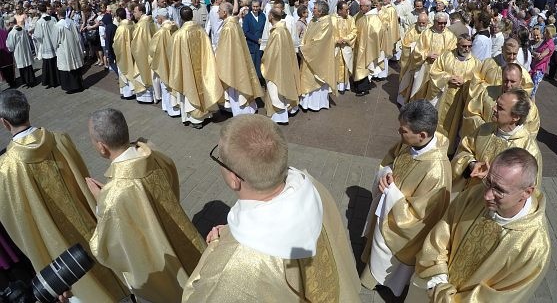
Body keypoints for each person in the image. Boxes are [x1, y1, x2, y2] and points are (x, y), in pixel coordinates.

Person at [182, 115, 361, 302]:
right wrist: (228, 233)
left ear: (235, 179)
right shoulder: (311, 186)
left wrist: (217, 247)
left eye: (219, 158)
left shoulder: (236, 265)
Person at [0, 91, 130, 303]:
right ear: (28, 110)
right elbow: (82, 177)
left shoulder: (6, 169)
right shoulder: (59, 139)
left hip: (56, 247)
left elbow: (16, 221)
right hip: (89, 226)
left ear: (4, 123)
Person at [87, 108, 206, 302]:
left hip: (156, 266)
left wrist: (101, 203)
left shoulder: (113, 194)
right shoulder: (153, 153)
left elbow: (107, 246)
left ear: (102, 147)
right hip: (180, 234)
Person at [406, 148, 550, 303]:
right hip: (431, 284)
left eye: (499, 191)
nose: (487, 195)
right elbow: (443, 229)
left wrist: (447, 298)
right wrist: (438, 277)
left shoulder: (535, 247)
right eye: (488, 182)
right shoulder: (474, 194)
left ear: (527, 192)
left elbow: (499, 297)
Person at [361, 100, 451, 297]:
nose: (399, 133)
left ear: (422, 135)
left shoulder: (436, 171)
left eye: (403, 131)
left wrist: (392, 193)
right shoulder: (410, 143)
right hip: (387, 208)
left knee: (388, 262)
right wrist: (387, 172)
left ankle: (386, 284)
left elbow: (421, 217)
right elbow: (392, 159)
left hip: (402, 227)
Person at [451, 88, 542, 196]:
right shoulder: (484, 129)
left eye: (500, 108)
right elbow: (464, 149)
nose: (493, 108)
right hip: (466, 195)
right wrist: (472, 164)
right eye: (496, 104)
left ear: (515, 117)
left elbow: (528, 190)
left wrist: (490, 179)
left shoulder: (528, 149)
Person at [169, 6, 222, 128]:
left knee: (190, 87)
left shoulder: (179, 35)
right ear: (192, 16)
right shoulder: (201, 31)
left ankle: (195, 120)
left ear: (181, 18)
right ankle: (207, 114)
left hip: (187, 71)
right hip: (202, 69)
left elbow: (174, 57)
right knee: (203, 87)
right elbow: (208, 52)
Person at [429, 34, 481, 155]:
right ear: (457, 45)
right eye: (463, 46)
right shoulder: (446, 56)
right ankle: (433, 144)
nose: (466, 49)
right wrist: (447, 78)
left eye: (469, 46)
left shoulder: (476, 63)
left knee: (456, 126)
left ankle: (449, 149)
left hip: (461, 101)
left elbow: (478, 84)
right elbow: (434, 71)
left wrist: (466, 83)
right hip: (443, 96)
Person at [462, 63, 540, 140]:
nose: (508, 85)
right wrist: (486, 128)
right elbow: (471, 113)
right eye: (505, 80)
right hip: (483, 139)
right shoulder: (487, 93)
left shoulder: (529, 107)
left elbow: (530, 132)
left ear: (520, 81)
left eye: (512, 81)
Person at [215, 2, 263, 116]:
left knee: (235, 86)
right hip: (238, 58)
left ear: (225, 12)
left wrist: (217, 56)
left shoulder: (228, 27)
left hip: (232, 61)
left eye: (219, 10)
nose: (218, 12)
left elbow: (225, 49)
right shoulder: (234, 23)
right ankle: (248, 108)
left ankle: (241, 112)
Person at [261, 9, 300, 123]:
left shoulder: (277, 32)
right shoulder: (283, 29)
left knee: (276, 89)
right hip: (284, 63)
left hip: (276, 66)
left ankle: (279, 117)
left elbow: (271, 53)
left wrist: (264, 61)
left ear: (271, 16)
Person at [409, 11, 457, 101]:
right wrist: (427, 54)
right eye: (440, 23)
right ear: (434, 22)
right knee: (421, 91)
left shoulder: (451, 36)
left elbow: (452, 54)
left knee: (434, 97)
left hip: (440, 70)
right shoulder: (426, 33)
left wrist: (441, 58)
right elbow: (417, 50)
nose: (442, 25)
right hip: (425, 67)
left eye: (445, 23)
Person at [299, 1, 336, 110]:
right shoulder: (313, 20)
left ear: (320, 12)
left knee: (317, 78)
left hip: (318, 57)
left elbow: (319, 42)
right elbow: (306, 34)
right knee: (307, 76)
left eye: (314, 8)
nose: (312, 10)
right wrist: (302, 44)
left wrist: (304, 49)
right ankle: (306, 103)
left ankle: (316, 104)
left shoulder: (326, 23)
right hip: (308, 55)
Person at [149, 7, 181, 117]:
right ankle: (167, 106)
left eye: (157, 17)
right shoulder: (175, 25)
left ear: (161, 17)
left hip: (164, 61)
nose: (157, 19)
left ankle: (172, 109)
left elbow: (153, 49)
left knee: (166, 84)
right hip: (175, 60)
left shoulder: (162, 31)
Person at [352, 0, 384, 97]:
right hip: (358, 45)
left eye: (362, 6)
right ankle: (357, 84)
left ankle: (363, 88)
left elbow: (378, 31)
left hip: (367, 47)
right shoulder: (360, 15)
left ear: (368, 6)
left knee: (365, 66)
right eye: (360, 5)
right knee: (358, 65)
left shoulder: (374, 17)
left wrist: (368, 40)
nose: (360, 7)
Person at [397, 13, 428, 105]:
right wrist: (415, 48)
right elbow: (405, 43)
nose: (421, 25)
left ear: (428, 22)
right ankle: (405, 99)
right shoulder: (412, 30)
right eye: (419, 23)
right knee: (409, 82)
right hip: (411, 62)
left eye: (423, 23)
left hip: (424, 63)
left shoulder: (430, 32)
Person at [130, 4, 157, 103]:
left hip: (142, 53)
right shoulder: (150, 20)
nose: (133, 13)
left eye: (135, 11)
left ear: (141, 12)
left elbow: (137, 44)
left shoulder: (141, 25)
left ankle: (145, 98)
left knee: (142, 73)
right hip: (150, 52)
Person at [55, 9, 85, 93]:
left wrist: (55, 47)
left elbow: (55, 40)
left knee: (67, 67)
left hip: (64, 50)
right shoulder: (71, 22)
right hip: (74, 47)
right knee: (75, 67)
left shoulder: (58, 25)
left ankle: (71, 87)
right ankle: (79, 85)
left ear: (58, 15)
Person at [33, 3, 59, 88]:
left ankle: (51, 81)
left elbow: (38, 36)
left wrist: (41, 42)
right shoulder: (53, 18)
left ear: (39, 11)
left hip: (46, 44)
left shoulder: (40, 22)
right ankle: (58, 79)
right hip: (55, 43)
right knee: (55, 61)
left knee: (48, 64)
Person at [334, 1, 357, 92]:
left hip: (346, 47)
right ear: (339, 10)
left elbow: (354, 31)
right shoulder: (332, 19)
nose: (348, 11)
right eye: (346, 9)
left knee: (345, 65)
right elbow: (328, 34)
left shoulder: (350, 19)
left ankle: (344, 85)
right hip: (335, 48)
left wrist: (345, 39)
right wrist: (336, 40)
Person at [113, 7, 136, 100]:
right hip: (132, 52)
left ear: (118, 17)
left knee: (124, 72)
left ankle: (128, 94)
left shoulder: (120, 28)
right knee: (132, 70)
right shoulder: (132, 24)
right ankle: (134, 90)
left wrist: (113, 47)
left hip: (123, 53)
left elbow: (117, 43)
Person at [6, 18, 36, 87]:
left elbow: (10, 45)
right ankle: (31, 80)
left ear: (11, 23)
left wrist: (9, 47)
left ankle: (27, 81)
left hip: (18, 51)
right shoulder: (22, 29)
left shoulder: (12, 33)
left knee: (23, 66)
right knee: (28, 65)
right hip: (26, 49)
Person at [242, 0, 266, 80]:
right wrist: (256, 39)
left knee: (261, 63)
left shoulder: (263, 16)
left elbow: (265, 29)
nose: (255, 8)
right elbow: (246, 31)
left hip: (262, 44)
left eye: (257, 7)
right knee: (252, 64)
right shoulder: (247, 17)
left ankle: (261, 81)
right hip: (251, 44)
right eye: (254, 6)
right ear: (251, 7)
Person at [529, 27, 555, 99]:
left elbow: (540, 57)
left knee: (532, 92)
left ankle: (532, 108)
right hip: (535, 65)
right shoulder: (545, 41)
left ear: (549, 34)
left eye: (545, 32)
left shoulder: (550, 45)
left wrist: (532, 53)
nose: (544, 33)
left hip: (540, 67)